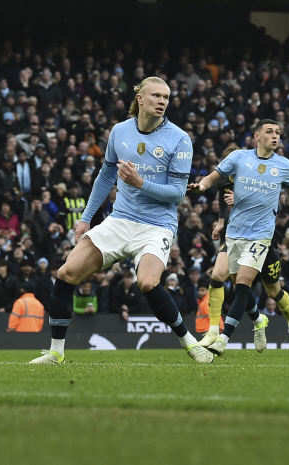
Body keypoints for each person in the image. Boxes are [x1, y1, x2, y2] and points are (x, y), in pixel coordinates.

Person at [30, 76, 213, 364]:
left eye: (166, 97)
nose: (162, 101)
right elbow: (105, 176)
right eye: (156, 96)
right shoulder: (120, 131)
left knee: (148, 283)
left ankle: (189, 342)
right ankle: (55, 353)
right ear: (140, 98)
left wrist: (140, 183)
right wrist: (86, 218)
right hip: (120, 220)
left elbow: (177, 195)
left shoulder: (179, 138)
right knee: (66, 274)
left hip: (157, 225)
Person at [188, 119, 289, 356]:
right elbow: (213, 177)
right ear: (257, 136)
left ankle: (228, 338)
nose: (275, 136)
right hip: (235, 235)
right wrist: (202, 187)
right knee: (241, 288)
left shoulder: (284, 165)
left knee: (257, 287)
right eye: (269, 132)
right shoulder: (238, 158)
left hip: (263, 236)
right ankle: (258, 322)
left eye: (277, 132)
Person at [198, 178, 289, 352]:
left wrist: (240, 199)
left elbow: (272, 205)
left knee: (273, 291)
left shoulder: (262, 177)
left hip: (263, 239)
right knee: (233, 283)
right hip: (236, 237)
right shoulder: (229, 180)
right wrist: (220, 222)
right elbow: (221, 192)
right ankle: (221, 331)